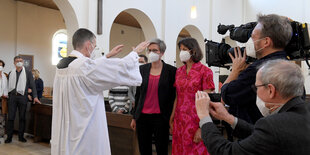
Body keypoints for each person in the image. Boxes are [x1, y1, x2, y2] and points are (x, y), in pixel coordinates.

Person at [51, 28, 149, 155]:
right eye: (95, 46)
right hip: (83, 128)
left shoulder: (62, 65)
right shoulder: (83, 67)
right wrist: (135, 53)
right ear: (88, 45)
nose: (94, 49)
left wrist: (107, 56)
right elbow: (117, 68)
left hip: (67, 126)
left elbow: (91, 68)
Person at [196, 59, 310, 155]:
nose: (256, 93)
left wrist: (204, 117)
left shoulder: (271, 125)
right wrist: (229, 118)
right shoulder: (303, 112)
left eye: (257, 88)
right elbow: (262, 136)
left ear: (270, 90)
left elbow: (227, 151)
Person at [221, 14, 293, 124]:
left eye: (253, 37)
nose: (250, 41)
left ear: (266, 42)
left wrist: (235, 70)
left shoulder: (258, 70)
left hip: (256, 134)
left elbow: (226, 95)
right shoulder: (290, 66)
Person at [131, 38, 176, 155]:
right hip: (143, 117)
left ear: (162, 53)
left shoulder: (171, 71)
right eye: (149, 50)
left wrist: (172, 118)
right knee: (144, 149)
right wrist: (134, 116)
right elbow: (138, 94)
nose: (151, 53)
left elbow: (173, 97)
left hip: (161, 117)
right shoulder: (142, 69)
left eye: (155, 50)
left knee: (162, 148)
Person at [170, 37, 215, 155]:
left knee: (196, 150)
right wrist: (172, 117)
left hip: (196, 119)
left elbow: (207, 101)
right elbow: (177, 96)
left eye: (184, 49)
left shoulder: (205, 71)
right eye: (180, 49)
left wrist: (202, 126)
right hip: (179, 120)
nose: (182, 52)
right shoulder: (179, 71)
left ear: (193, 50)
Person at [6, 56, 41, 143]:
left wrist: (35, 96)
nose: (19, 62)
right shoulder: (11, 73)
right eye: (17, 61)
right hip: (13, 97)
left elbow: (32, 85)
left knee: (22, 117)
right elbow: (7, 85)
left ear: (23, 62)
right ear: (14, 63)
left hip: (23, 97)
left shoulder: (28, 73)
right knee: (10, 117)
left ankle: (21, 136)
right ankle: (9, 137)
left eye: (21, 61)